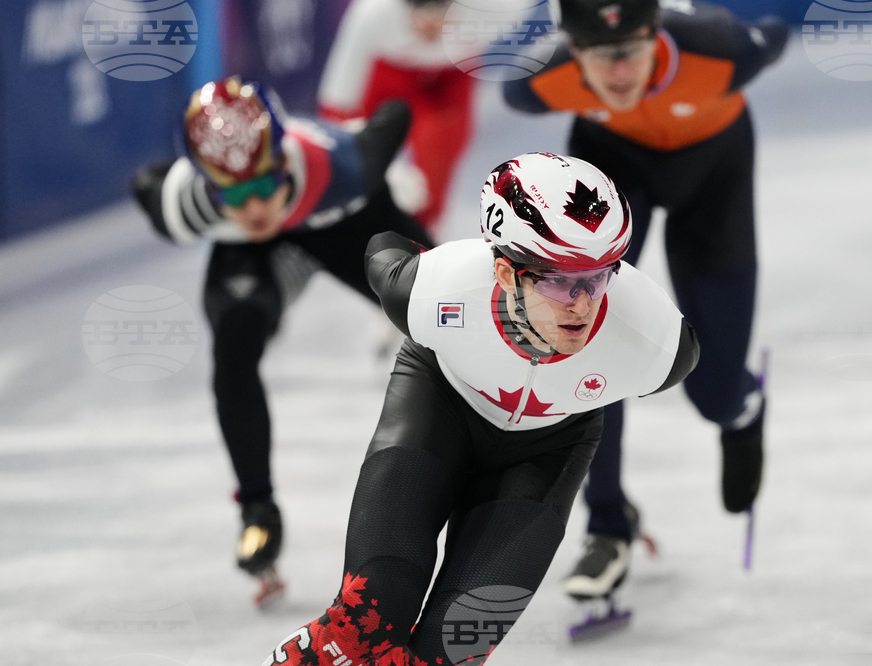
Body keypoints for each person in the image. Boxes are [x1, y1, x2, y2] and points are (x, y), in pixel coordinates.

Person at [260, 152, 699, 665]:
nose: (582, 303)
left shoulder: (654, 346)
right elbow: (383, 250)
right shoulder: (435, 291)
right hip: (437, 411)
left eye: (599, 277)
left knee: (450, 650)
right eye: (558, 280)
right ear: (506, 273)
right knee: (369, 617)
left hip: (548, 450)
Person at [502, 0, 788, 597]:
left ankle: (741, 409)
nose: (621, 74)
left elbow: (775, 33)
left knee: (712, 392)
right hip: (612, 168)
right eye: (602, 58)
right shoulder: (537, 83)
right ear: (572, 48)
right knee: (582, 345)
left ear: (657, 34)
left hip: (716, 175)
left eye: (631, 51)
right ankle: (607, 523)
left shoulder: (721, 50)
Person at [131, 76, 434, 602]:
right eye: (234, 193)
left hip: (347, 218)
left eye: (264, 184)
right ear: (207, 184)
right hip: (254, 255)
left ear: (283, 160)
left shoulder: (346, 166)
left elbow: (395, 112)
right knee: (234, 349)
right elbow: (145, 183)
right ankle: (259, 511)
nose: (254, 207)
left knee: (446, 322)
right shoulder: (184, 205)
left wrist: (368, 137)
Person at [317, 0, 475, 233]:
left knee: (441, 144)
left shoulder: (499, 8)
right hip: (391, 70)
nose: (429, 24)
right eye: (420, 13)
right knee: (353, 147)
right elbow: (337, 104)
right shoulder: (372, 14)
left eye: (439, 11)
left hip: (453, 72)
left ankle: (424, 228)